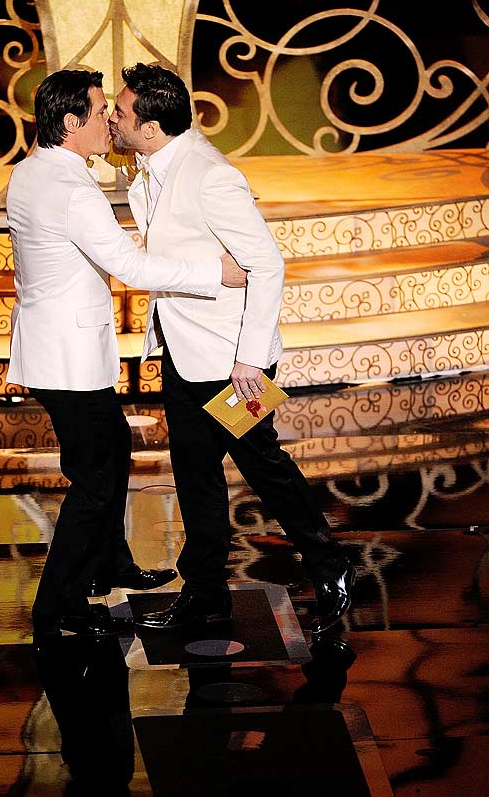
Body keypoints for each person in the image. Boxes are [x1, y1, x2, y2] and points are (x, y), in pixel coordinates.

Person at [109, 62, 355, 634]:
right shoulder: (152, 166)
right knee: (194, 472)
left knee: (263, 465)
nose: (114, 120)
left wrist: (248, 359)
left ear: (151, 127)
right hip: (183, 350)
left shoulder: (211, 176)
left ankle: (330, 565)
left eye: (120, 113)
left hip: (233, 362)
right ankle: (204, 591)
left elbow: (267, 265)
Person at [5, 68, 246, 637]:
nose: (110, 121)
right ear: (71, 123)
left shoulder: (31, 170)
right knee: (95, 480)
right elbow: (132, 267)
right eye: (100, 111)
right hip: (68, 356)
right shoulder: (72, 191)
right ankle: (59, 604)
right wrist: (215, 272)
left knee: (110, 450)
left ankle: (110, 564)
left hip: (50, 346)